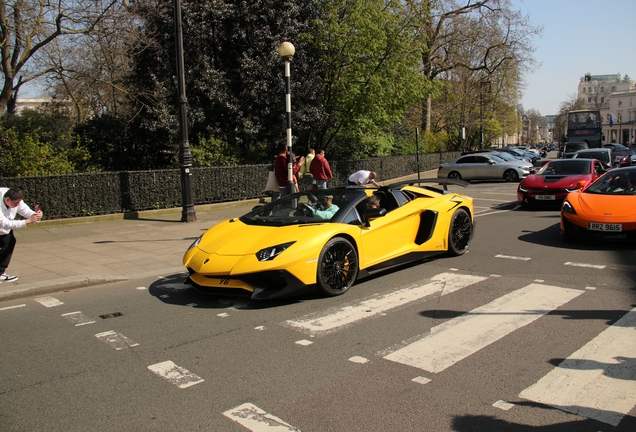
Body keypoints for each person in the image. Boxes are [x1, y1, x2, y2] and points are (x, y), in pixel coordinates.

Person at [0, 187, 43, 282]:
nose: (18, 205)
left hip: (4, 231)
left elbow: (24, 210)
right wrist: (27, 221)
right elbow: (4, 223)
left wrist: (34, 215)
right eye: (16, 203)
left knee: (9, 242)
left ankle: (0, 273)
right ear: (7, 199)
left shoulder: (13, 196)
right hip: (3, 226)